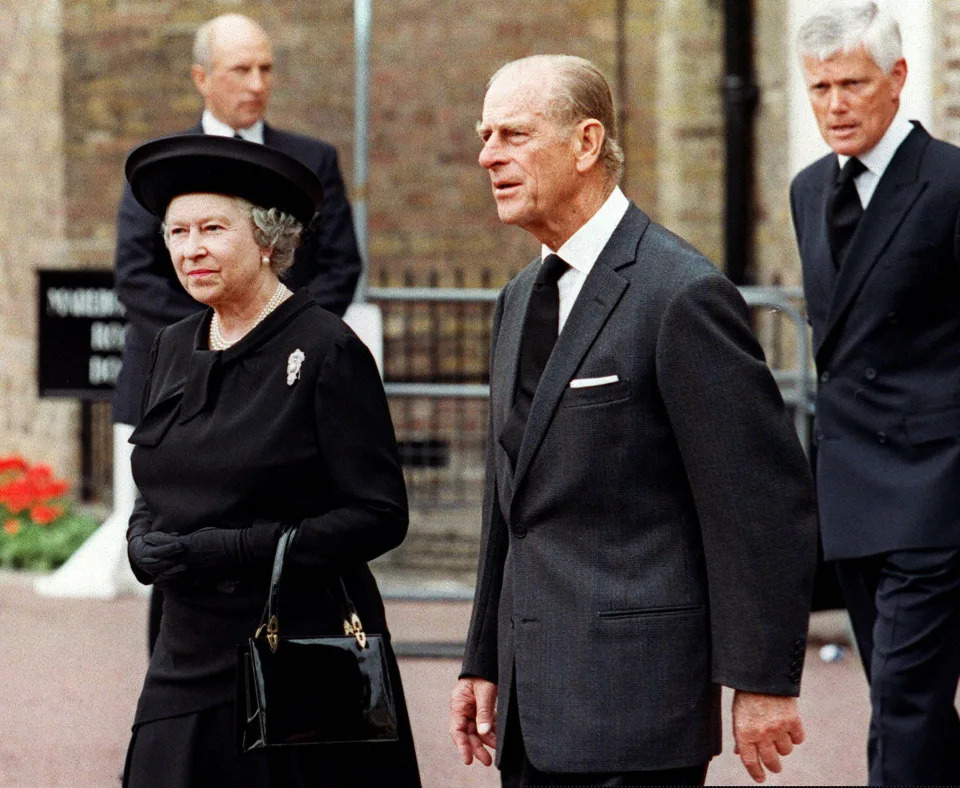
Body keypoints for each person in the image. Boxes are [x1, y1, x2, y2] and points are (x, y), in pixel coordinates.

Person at [449, 54, 818, 787]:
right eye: (485, 135)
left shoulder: (680, 295)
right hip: (530, 706)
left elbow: (758, 504)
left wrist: (762, 680)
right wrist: (482, 657)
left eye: (515, 134)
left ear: (587, 144)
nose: (489, 155)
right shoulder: (518, 300)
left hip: (638, 703)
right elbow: (509, 507)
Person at [120, 134, 420, 787]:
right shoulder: (172, 346)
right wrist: (141, 538)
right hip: (187, 646)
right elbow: (162, 472)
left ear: (266, 238)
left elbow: (379, 514)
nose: (190, 248)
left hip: (303, 649)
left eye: (211, 228)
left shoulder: (325, 349)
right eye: (176, 232)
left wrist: (237, 551)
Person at [113, 12, 362, 651]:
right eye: (240, 69)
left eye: (266, 68)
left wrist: (276, 333)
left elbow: (339, 264)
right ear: (202, 78)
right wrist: (207, 343)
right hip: (176, 380)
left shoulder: (311, 159)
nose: (256, 83)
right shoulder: (160, 167)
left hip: (284, 379)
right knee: (175, 530)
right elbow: (136, 275)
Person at [791, 3, 960, 784]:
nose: (835, 104)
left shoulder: (951, 183)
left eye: (852, 83)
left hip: (936, 489)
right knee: (909, 699)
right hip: (853, 491)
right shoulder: (806, 190)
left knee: (902, 700)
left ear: (897, 79)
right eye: (819, 87)